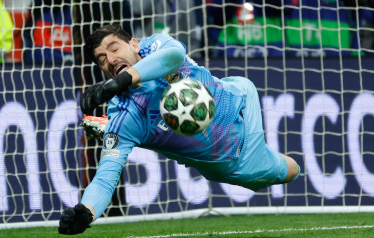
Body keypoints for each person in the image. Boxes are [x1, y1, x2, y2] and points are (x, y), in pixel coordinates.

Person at [58, 24, 300, 235]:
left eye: (114, 48)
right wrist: (85, 213)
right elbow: (105, 179)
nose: (110, 60)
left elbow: (175, 55)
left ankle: (138, 133)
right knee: (292, 170)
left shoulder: (155, 45)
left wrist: (118, 81)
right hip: (238, 158)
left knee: (240, 84)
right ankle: (128, 135)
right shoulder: (124, 115)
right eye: (102, 59)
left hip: (241, 94)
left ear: (134, 44)